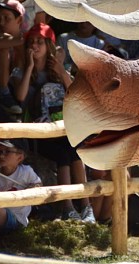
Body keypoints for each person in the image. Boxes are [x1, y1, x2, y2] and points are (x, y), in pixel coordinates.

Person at [10, 23, 95, 223]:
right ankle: (67, 207)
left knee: (75, 151)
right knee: (62, 155)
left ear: (49, 45)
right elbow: (21, 97)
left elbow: (76, 94)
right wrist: (30, 66)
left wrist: (60, 69)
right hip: (37, 133)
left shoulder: (58, 71)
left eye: (40, 42)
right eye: (31, 42)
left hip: (61, 129)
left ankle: (85, 206)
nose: (35, 46)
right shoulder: (19, 72)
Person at [0, 0, 26, 115]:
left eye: (6, 18)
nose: (1, 23)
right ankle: (3, 93)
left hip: (20, 83)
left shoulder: (28, 39)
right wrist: (21, 41)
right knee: (3, 48)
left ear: (19, 20)